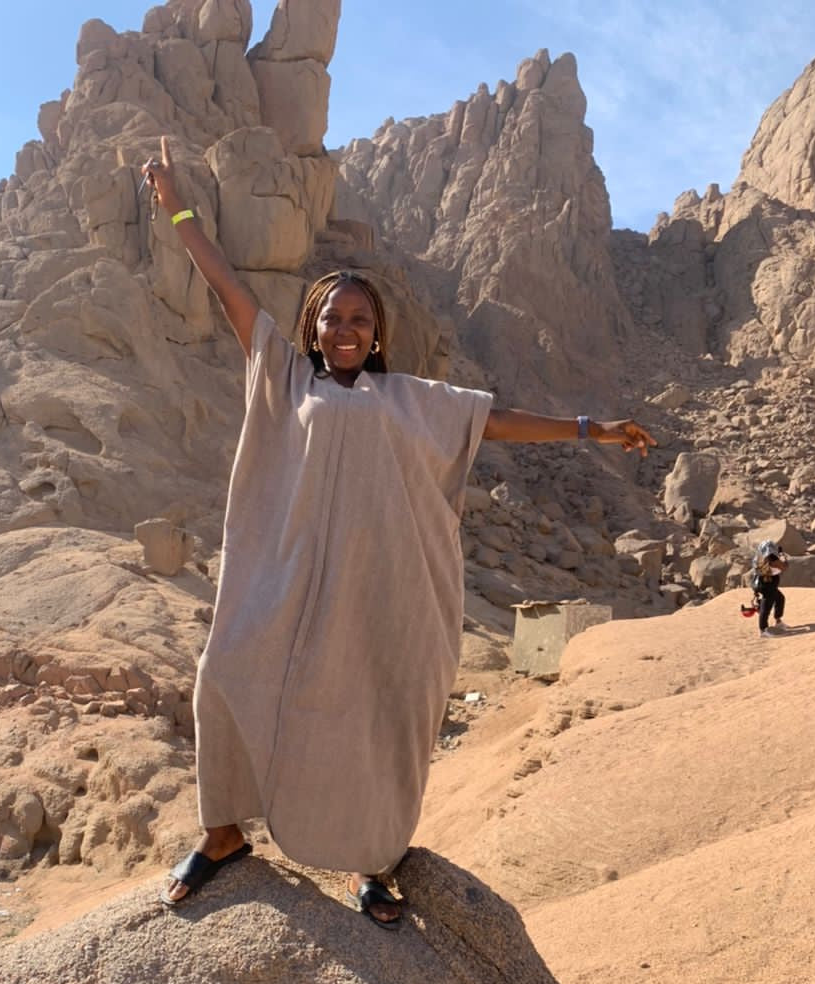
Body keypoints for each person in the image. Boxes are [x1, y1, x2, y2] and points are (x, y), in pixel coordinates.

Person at [144, 137, 656, 928]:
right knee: (224, 672)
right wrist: (175, 202)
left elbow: (496, 421)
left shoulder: (411, 398)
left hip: (374, 590)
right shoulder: (283, 376)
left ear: (376, 332)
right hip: (283, 583)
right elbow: (226, 284)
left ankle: (375, 864)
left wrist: (592, 427)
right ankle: (222, 835)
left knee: (375, 714)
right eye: (331, 318)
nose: (344, 328)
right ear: (312, 327)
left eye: (359, 319)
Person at [751, 540, 788, 637]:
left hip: (765, 584)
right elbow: (784, 566)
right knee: (766, 607)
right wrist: (781, 554)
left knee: (780, 598)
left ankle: (778, 622)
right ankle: (763, 630)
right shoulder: (771, 558)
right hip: (767, 586)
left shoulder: (759, 558)